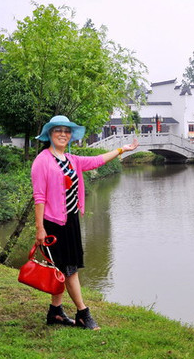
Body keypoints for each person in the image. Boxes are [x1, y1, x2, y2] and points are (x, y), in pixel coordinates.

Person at [31, 115, 138, 330]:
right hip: (53, 224)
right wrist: (40, 227)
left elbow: (97, 160)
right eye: (58, 130)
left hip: (70, 220)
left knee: (61, 269)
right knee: (69, 269)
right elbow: (39, 197)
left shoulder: (71, 159)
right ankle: (82, 312)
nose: (63, 134)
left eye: (67, 131)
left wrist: (121, 150)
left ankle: (55, 312)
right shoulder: (42, 160)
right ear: (50, 135)